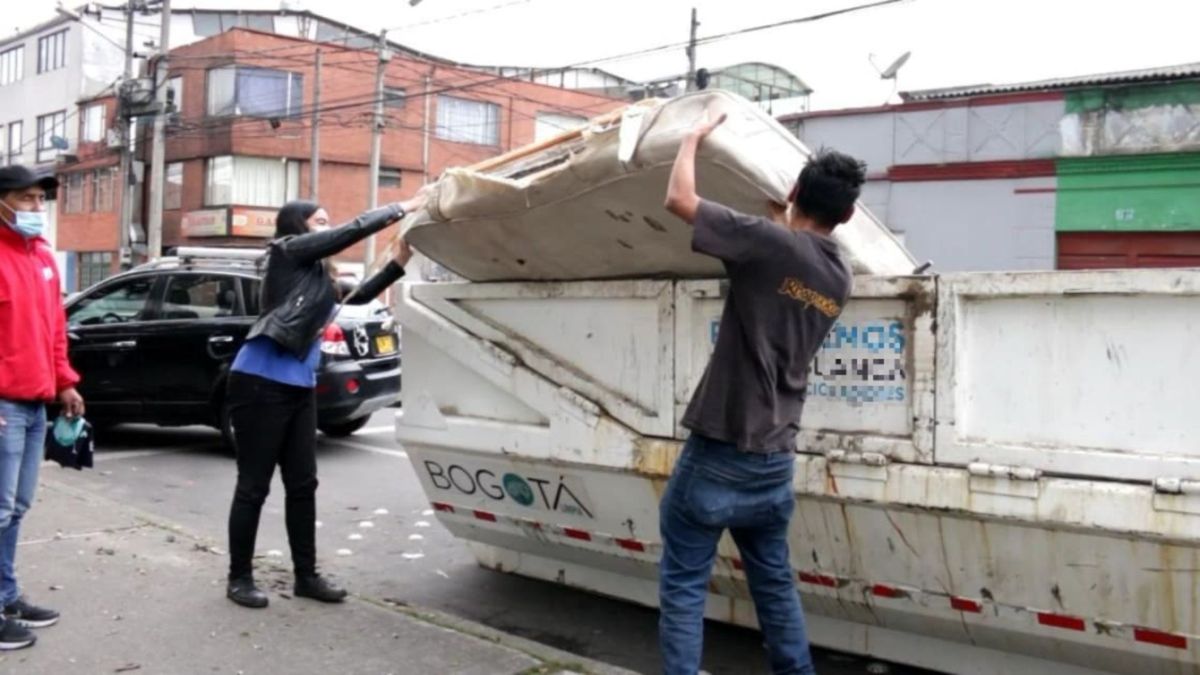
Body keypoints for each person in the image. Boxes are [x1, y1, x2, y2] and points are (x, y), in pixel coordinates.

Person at [658, 114, 863, 675]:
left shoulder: (767, 243)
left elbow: (680, 199)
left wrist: (692, 138)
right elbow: (791, 253)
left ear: (794, 192)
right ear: (846, 216)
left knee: (683, 583)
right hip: (775, 460)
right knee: (773, 585)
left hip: (719, 452)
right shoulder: (839, 275)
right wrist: (788, 216)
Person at [224, 193, 426, 609]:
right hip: (260, 382)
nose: (326, 225)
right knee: (253, 487)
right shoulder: (286, 252)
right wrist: (401, 207)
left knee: (303, 484)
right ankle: (239, 578)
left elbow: (361, 296)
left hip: (298, 387)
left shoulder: (317, 276)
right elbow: (347, 233)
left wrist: (400, 260)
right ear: (296, 225)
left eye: (327, 218)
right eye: (318, 220)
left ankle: (306, 576)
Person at [0, 165, 86, 650]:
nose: (37, 208)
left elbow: (54, 329)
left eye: (40, 199)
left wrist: (64, 381)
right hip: (3, 403)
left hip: (34, 403)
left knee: (16, 508)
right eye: (27, 199)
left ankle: (7, 595)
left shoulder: (43, 258)